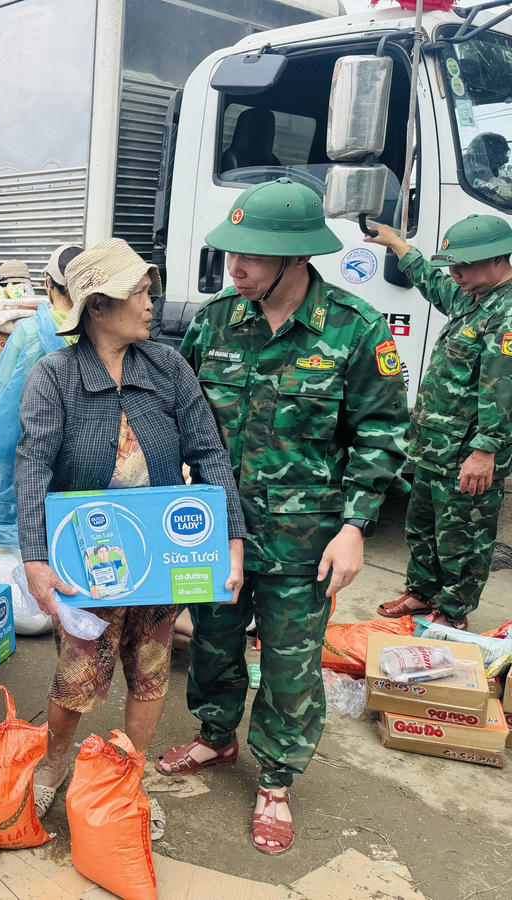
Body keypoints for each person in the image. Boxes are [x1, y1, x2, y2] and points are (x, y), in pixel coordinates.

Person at [157, 179, 408, 855]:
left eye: (253, 255)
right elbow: (176, 412)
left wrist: (356, 524)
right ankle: (215, 736)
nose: (234, 266)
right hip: (215, 531)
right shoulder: (215, 322)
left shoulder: (355, 331)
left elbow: (382, 433)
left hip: (306, 539)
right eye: (231, 250)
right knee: (210, 644)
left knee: (292, 666)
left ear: (296, 258)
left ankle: (275, 778)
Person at [14, 239, 246, 837]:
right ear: (97, 306)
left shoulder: (167, 367)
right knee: (78, 672)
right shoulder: (56, 376)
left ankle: (128, 777)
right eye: (138, 293)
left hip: (161, 557)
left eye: (148, 290)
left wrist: (231, 542)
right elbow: (34, 467)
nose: (151, 304)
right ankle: (54, 764)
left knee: (150, 667)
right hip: (86, 560)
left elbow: (208, 453)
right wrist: (36, 560)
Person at [366, 216, 512, 630]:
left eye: (463, 265)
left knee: (463, 538)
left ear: (499, 259)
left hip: (469, 452)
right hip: (435, 445)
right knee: (424, 525)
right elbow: (433, 283)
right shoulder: (475, 296)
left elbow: (504, 391)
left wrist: (485, 451)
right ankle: (421, 592)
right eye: (452, 265)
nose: (456, 274)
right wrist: (396, 244)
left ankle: (452, 611)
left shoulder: (507, 313)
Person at [0, 244, 83, 547]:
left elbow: (0, 406)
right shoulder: (97, 333)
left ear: (48, 283)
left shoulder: (28, 332)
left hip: (31, 446)